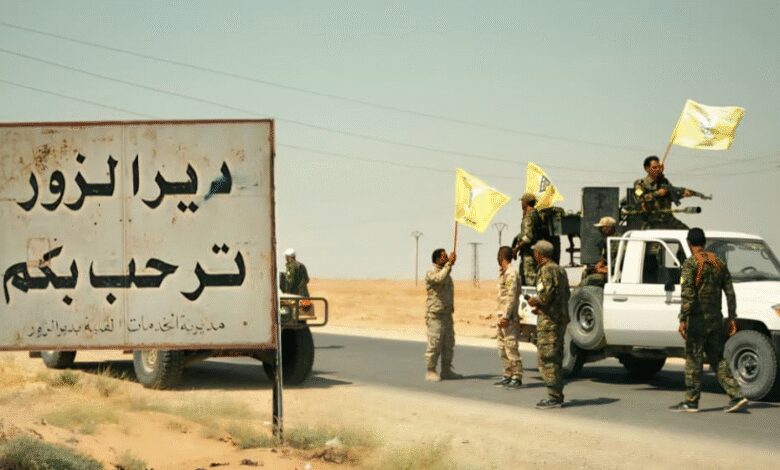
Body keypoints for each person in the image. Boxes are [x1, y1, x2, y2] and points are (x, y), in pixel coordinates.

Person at [669, 228, 748, 413]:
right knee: (717, 358)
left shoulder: (690, 264)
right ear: (704, 243)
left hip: (697, 321)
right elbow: (730, 292)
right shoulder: (719, 262)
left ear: (689, 243)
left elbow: (688, 294)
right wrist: (732, 317)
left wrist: (683, 319)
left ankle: (691, 401)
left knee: (693, 359)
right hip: (715, 320)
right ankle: (737, 395)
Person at [527, 240, 570, 409]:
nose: (533, 255)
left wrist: (535, 301)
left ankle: (554, 397)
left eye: (535, 252)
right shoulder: (560, 270)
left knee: (548, 358)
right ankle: (556, 394)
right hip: (559, 319)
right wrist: (541, 308)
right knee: (556, 356)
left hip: (550, 322)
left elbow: (545, 296)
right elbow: (562, 296)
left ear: (539, 254)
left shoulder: (545, 270)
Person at [424, 248, 462, 382]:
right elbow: (439, 279)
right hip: (435, 315)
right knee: (435, 343)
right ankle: (431, 370)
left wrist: (448, 266)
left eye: (447, 256)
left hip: (446, 314)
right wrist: (449, 264)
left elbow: (445, 278)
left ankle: (446, 370)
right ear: (437, 259)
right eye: (444, 256)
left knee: (448, 343)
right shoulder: (431, 273)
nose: (446, 258)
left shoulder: (447, 274)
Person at [633, 155, 692, 229]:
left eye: (658, 167)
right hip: (651, 221)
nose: (657, 169)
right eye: (654, 167)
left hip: (668, 220)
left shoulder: (664, 182)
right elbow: (639, 199)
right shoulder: (640, 184)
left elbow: (672, 196)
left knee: (687, 232)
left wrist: (683, 194)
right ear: (647, 168)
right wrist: (657, 194)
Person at [493, 246, 523, 389]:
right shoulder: (503, 273)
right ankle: (507, 374)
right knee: (502, 348)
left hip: (509, 318)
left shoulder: (511, 274)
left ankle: (516, 376)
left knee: (511, 347)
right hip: (501, 316)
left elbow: (511, 296)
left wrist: (506, 316)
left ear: (501, 257)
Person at [513, 193, 544, 285]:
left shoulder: (529, 216)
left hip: (529, 254)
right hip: (536, 252)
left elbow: (528, 237)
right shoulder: (536, 215)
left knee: (530, 281)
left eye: (522, 201)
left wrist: (516, 249)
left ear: (525, 202)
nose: (521, 203)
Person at [580, 216, 618, 288]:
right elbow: (605, 256)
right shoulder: (607, 240)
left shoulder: (618, 240)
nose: (600, 230)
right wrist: (600, 263)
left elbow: (621, 258)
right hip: (608, 269)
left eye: (602, 227)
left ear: (609, 228)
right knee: (585, 272)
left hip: (615, 271)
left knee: (592, 279)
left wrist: (607, 268)